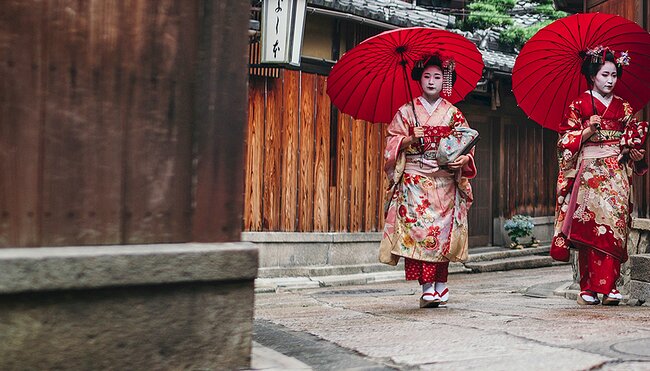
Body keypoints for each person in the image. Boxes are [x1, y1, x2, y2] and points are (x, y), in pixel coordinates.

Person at [550, 46, 648, 306]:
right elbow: (564, 142)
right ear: (593, 75)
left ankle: (611, 286)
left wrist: (633, 152)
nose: (610, 80)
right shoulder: (578, 105)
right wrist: (585, 131)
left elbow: (631, 140)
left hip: (616, 171)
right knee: (589, 229)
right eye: (605, 74)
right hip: (589, 172)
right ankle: (588, 287)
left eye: (614, 75)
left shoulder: (623, 106)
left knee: (614, 227)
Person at [382, 54, 477, 308]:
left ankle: (441, 283)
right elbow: (391, 143)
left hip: (444, 180)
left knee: (443, 232)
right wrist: (408, 140)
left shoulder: (454, 113)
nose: (432, 81)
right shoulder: (406, 111)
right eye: (427, 76)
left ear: (444, 80)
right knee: (420, 233)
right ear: (419, 80)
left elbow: (466, 143)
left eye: (437, 77)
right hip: (415, 181)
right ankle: (426, 287)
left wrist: (463, 160)